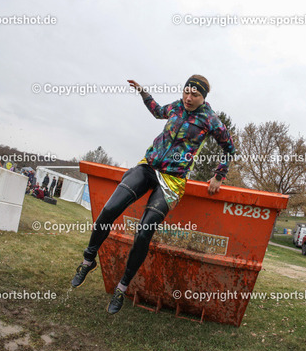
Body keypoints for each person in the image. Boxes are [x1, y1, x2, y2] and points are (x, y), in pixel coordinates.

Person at [70, 75, 235, 315]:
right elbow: (157, 111)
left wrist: (219, 175)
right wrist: (143, 93)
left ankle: (122, 287)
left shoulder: (210, 120)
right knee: (109, 209)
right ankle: (88, 260)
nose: (188, 98)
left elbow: (229, 147)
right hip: (148, 167)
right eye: (186, 92)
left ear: (203, 98)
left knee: (143, 232)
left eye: (195, 95)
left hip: (173, 180)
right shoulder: (177, 107)